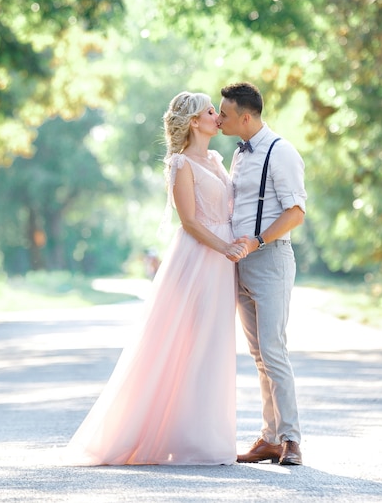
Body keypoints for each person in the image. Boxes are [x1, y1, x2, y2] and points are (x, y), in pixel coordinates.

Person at [64, 91, 247, 466]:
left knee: (215, 345)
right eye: (211, 111)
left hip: (221, 261)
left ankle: (206, 439)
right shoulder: (180, 164)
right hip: (198, 259)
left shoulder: (216, 157)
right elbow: (191, 222)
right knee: (184, 344)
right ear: (195, 122)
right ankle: (179, 439)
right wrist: (224, 247)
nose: (218, 115)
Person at [217, 81, 307, 466]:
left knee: (273, 351)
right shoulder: (238, 154)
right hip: (241, 264)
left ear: (246, 116)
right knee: (258, 355)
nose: (218, 118)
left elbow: (296, 212)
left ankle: (291, 440)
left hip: (270, 260)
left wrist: (255, 241)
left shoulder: (281, 151)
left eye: (224, 113)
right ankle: (269, 438)